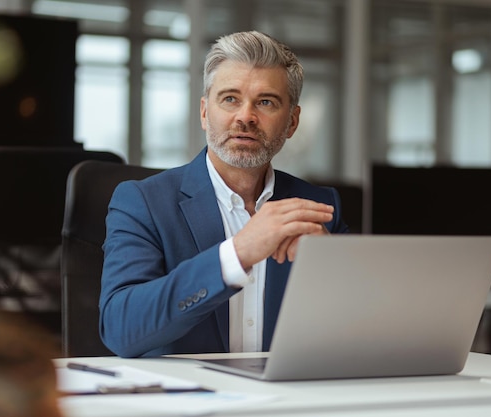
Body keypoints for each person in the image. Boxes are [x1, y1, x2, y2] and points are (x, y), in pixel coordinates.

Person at [99, 30, 349, 358]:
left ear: (292, 122)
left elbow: (363, 331)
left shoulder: (319, 207)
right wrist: (237, 253)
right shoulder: (142, 203)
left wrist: (331, 269)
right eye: (230, 98)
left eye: (266, 102)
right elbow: (121, 329)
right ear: (205, 112)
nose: (245, 116)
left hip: (288, 402)